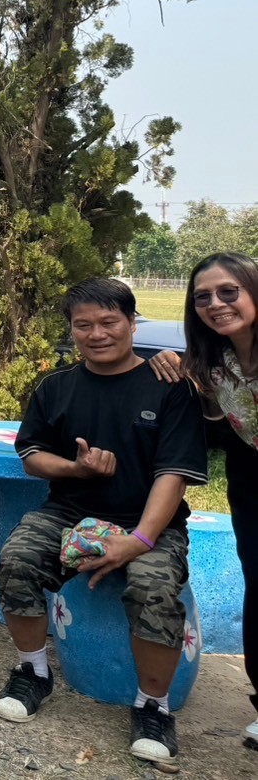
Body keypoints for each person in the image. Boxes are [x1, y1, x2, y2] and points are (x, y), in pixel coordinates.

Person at [0, 278, 205, 767]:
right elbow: (32, 455)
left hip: (149, 521)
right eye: (83, 325)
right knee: (17, 560)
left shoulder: (169, 387)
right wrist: (75, 469)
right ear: (71, 330)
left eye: (109, 322)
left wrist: (140, 539)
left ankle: (153, 707)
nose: (97, 334)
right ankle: (33, 671)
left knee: (154, 587)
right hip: (69, 513)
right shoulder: (55, 387)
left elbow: (174, 475)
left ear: (132, 323)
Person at [180, 252, 258, 749]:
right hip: (251, 491)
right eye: (203, 296)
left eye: (229, 291)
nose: (215, 303)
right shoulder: (212, 367)